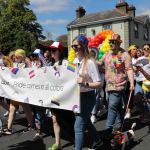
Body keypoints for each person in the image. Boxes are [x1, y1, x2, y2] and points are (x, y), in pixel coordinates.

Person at [97, 34, 134, 132]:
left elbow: (129, 69)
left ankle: (108, 128)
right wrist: (90, 60)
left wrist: (132, 83)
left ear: (118, 43)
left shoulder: (125, 54)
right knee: (116, 106)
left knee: (112, 106)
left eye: (113, 42)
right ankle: (120, 123)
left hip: (119, 85)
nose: (111, 44)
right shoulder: (107, 53)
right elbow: (100, 63)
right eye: (110, 42)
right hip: (109, 85)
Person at [72, 35, 101, 150]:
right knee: (86, 121)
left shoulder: (90, 62)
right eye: (72, 46)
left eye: (76, 46)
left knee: (78, 126)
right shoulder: (74, 61)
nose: (74, 48)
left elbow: (99, 83)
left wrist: (85, 84)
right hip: (76, 96)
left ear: (83, 46)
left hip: (87, 96)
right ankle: (98, 140)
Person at [3, 49, 34, 135]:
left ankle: (31, 125)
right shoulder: (16, 63)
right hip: (16, 90)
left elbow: (23, 74)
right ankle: (9, 129)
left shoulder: (25, 64)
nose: (15, 58)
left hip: (22, 91)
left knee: (26, 108)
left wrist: (12, 69)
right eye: (15, 56)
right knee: (12, 108)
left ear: (21, 56)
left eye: (17, 56)